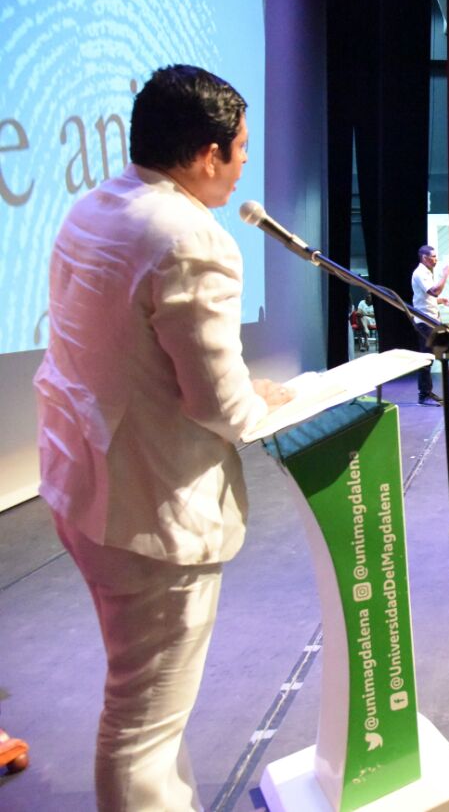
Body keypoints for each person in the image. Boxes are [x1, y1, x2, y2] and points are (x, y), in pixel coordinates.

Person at [33, 64, 294, 811]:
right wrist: (267, 399)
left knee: (146, 703)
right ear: (208, 156)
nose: (247, 162)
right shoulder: (191, 239)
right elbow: (222, 406)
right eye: (241, 149)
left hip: (86, 489)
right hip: (151, 514)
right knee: (141, 726)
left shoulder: (92, 206)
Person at [413, 242, 449, 404]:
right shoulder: (420, 273)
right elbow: (434, 290)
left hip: (430, 320)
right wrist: (445, 275)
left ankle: (427, 392)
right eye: (433, 257)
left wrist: (439, 301)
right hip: (424, 322)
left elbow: (425, 298)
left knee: (433, 355)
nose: (436, 260)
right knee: (427, 357)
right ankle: (424, 394)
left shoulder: (427, 272)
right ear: (424, 258)